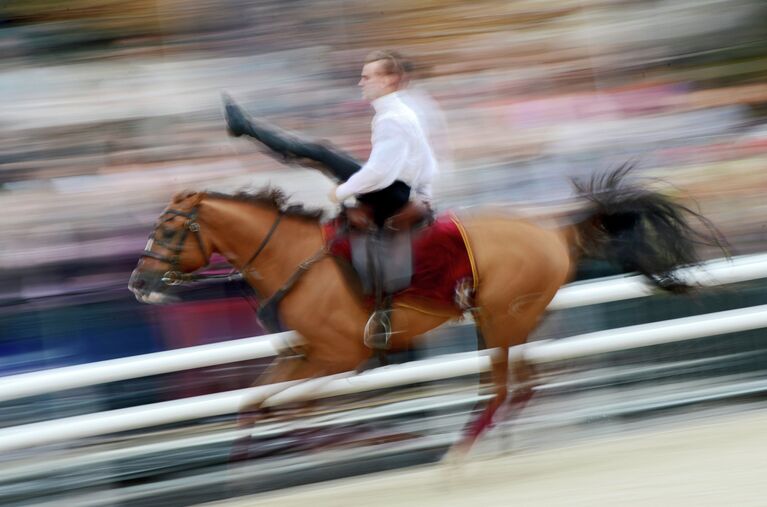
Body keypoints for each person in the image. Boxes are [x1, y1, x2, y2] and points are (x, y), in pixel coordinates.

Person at [224, 50, 442, 349]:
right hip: (397, 191)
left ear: (389, 80)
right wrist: (425, 194)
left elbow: (380, 172)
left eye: (367, 77)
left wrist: (341, 191)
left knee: (321, 153)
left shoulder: (391, 118)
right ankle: (248, 129)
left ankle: (247, 128)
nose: (360, 82)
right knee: (320, 154)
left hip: (391, 192)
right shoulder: (398, 113)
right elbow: (425, 161)